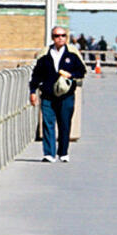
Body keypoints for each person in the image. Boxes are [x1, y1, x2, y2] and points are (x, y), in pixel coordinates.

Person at [28, 25, 85, 162]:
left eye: (63, 35)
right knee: (48, 123)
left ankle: (63, 152)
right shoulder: (45, 55)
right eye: (57, 36)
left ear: (66, 37)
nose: (60, 38)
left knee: (64, 124)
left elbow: (82, 71)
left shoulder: (72, 55)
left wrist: (71, 75)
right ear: (52, 38)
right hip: (47, 95)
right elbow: (36, 75)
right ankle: (49, 153)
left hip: (66, 95)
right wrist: (33, 91)